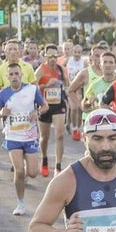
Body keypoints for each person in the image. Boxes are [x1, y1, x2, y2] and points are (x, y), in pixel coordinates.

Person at [0, 63, 48, 215]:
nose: (14, 77)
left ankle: (27, 172)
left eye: (17, 74)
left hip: (30, 137)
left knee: (33, 173)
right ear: (7, 77)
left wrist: (37, 112)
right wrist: (2, 113)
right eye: (11, 74)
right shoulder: (2, 94)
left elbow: (45, 106)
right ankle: (20, 203)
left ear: (21, 75)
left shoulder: (32, 90)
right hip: (13, 137)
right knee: (19, 171)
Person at [35, 44, 69, 176]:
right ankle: (44, 160)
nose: (53, 59)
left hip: (58, 104)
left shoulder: (61, 69)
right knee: (44, 137)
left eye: (55, 56)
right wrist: (45, 85)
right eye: (50, 56)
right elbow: (33, 87)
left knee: (60, 135)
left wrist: (65, 84)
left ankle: (58, 166)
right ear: (45, 57)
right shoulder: (41, 69)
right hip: (45, 105)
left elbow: (67, 85)